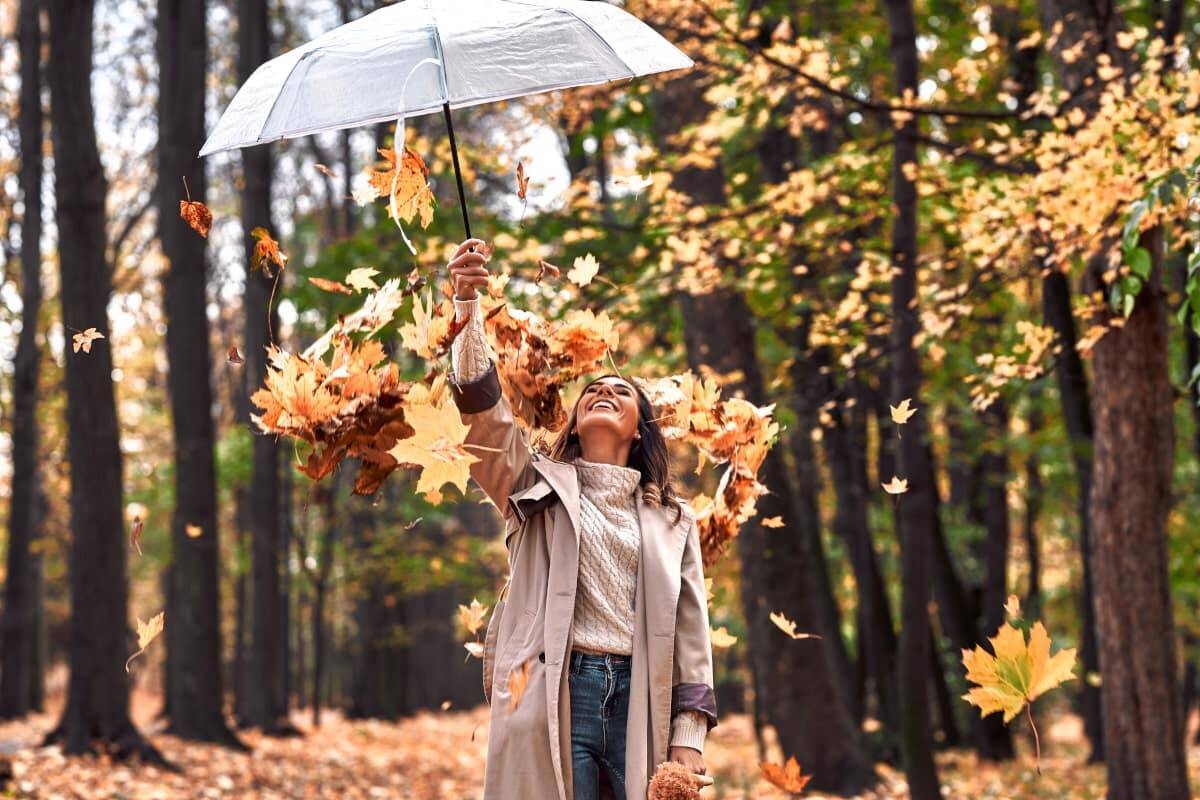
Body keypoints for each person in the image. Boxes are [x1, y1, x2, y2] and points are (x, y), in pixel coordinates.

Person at [446, 238, 717, 800]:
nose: (601, 391)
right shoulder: (534, 487)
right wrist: (466, 307)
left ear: (638, 428)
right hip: (554, 692)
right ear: (572, 423)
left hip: (641, 695)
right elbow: (487, 424)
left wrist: (687, 739)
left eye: (619, 391)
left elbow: (691, 633)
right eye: (592, 389)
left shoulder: (674, 520)